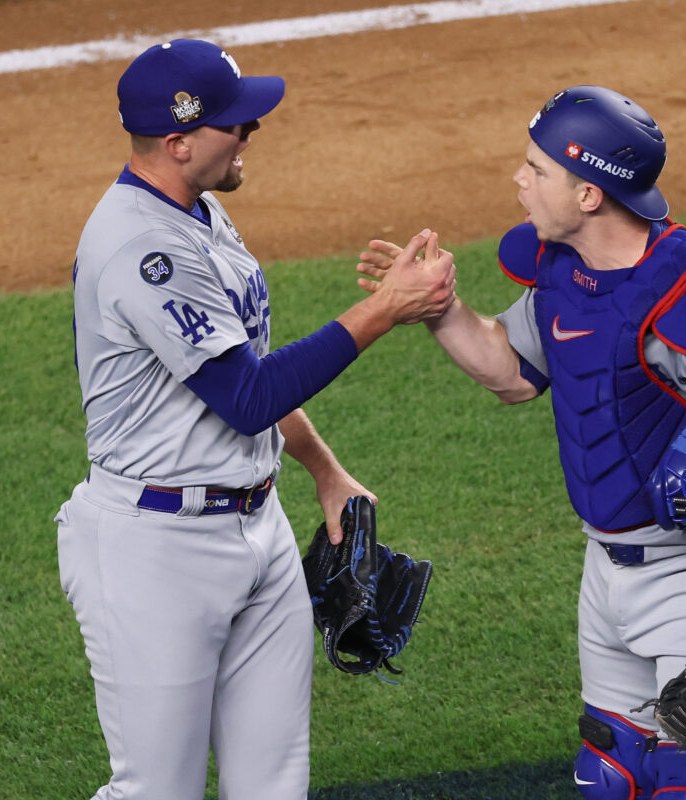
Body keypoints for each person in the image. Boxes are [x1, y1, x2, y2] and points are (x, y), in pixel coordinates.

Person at [357, 86, 686, 800]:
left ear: (587, 194)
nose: (519, 180)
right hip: (603, 575)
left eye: (536, 169)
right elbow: (514, 373)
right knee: (611, 777)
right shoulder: (563, 273)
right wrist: (441, 310)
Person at [54, 38, 454, 800]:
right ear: (178, 143)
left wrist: (324, 472)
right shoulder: (145, 247)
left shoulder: (199, 212)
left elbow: (244, 378)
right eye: (235, 124)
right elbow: (247, 397)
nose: (251, 132)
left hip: (257, 527)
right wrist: (388, 307)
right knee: (156, 790)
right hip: (156, 550)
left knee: (274, 784)